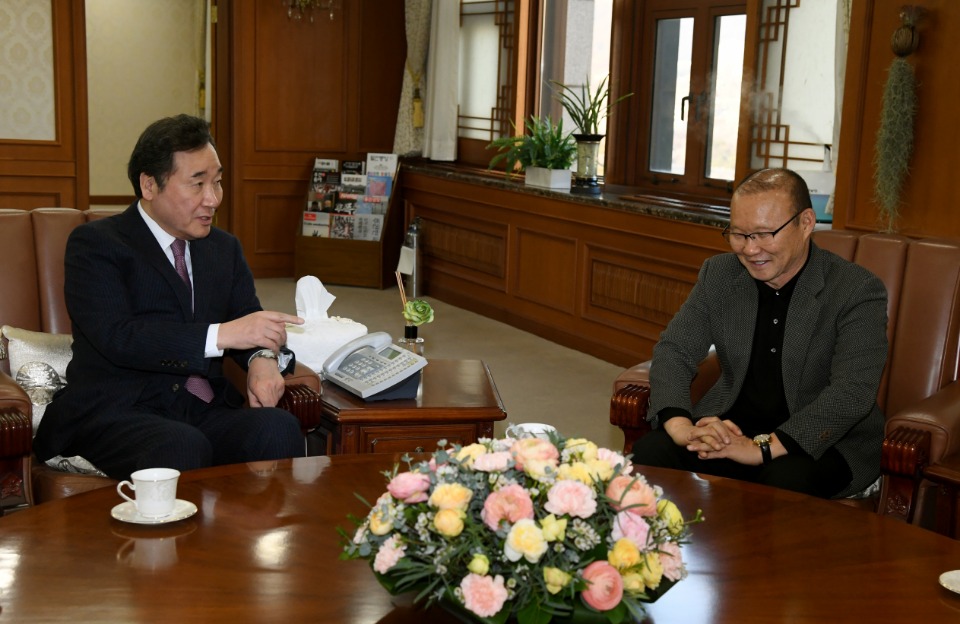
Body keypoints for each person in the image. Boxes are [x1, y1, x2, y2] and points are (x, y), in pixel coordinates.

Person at [33, 114, 307, 480]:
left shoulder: (223, 249)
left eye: (218, 182)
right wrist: (221, 335)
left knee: (277, 428)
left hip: (200, 407)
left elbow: (248, 318)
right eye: (198, 184)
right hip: (118, 410)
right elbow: (118, 336)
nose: (213, 199)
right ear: (149, 185)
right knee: (181, 446)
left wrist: (261, 359)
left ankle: (245, 537)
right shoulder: (96, 244)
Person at [632, 168, 889, 499]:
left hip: (817, 442)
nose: (750, 250)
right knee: (650, 455)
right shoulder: (721, 274)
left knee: (783, 484)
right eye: (739, 234)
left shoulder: (855, 290)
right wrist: (682, 427)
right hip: (732, 428)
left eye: (765, 234)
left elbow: (852, 392)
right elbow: (674, 350)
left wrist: (761, 448)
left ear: (806, 223)